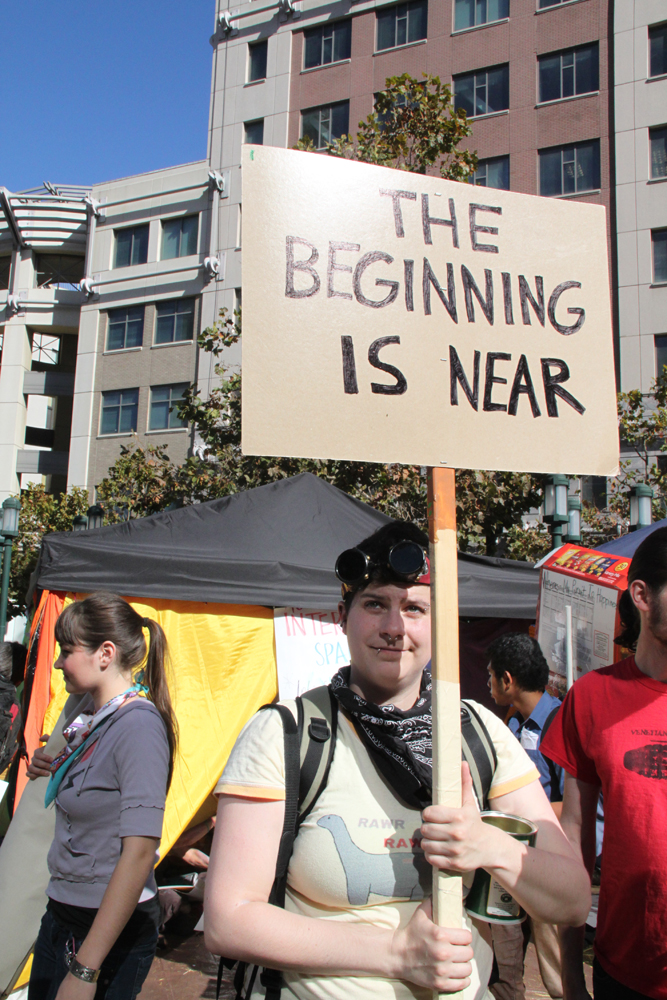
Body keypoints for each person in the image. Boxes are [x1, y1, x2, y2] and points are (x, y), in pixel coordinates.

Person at [204, 521, 590, 1000]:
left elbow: (572, 899)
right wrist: (395, 952)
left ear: (439, 623)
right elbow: (229, 920)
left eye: (414, 608)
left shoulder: (478, 733)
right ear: (343, 616)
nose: (394, 627)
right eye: (375, 604)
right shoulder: (286, 733)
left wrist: (488, 845)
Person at [25, 592, 177, 1000]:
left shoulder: (138, 726)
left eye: (66, 651)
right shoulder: (90, 712)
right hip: (64, 912)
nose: (57, 663)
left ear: (105, 653)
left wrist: (85, 970)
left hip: (102, 930)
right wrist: (48, 763)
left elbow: (141, 851)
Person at [541, 526, 667, 1000]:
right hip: (623, 971)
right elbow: (573, 835)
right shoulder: (592, 697)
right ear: (642, 596)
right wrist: (570, 973)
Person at [486, 633, 565, 1000]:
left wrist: (517, 816)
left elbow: (576, 806)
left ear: (507, 680)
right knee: (506, 958)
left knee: (558, 970)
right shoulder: (514, 725)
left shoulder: (561, 726)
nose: (488, 687)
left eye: (490, 677)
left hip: (550, 862)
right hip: (514, 863)